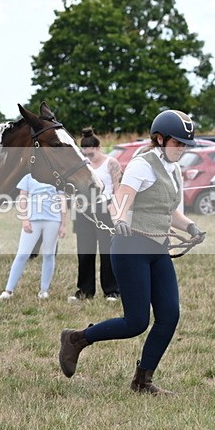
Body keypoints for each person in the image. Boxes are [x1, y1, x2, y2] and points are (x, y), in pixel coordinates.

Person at [59, 110, 206, 395]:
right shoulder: (142, 165)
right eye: (178, 143)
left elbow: (166, 208)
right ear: (160, 139)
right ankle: (76, 339)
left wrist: (190, 226)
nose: (183, 149)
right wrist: (122, 220)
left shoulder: (173, 170)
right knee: (136, 322)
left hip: (157, 247)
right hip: (130, 247)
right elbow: (120, 201)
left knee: (169, 315)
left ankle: (142, 381)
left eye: (185, 144)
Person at [70, 127, 123, 301]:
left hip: (104, 209)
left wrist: (116, 209)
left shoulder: (111, 163)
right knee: (85, 252)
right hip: (84, 211)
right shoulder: (81, 164)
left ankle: (112, 290)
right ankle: (85, 290)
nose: (88, 158)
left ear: (98, 148)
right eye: (85, 154)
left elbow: (117, 188)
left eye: (91, 154)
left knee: (107, 251)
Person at [0, 174, 66, 300]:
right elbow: (23, 197)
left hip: (53, 220)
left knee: (49, 254)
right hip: (32, 220)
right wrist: (24, 219)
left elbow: (62, 199)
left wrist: (63, 224)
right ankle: (8, 290)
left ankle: (44, 290)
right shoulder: (28, 176)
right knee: (22, 254)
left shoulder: (56, 176)